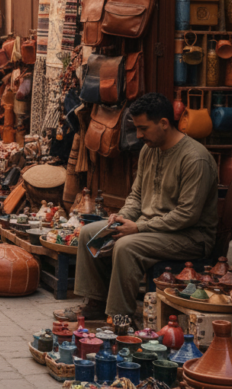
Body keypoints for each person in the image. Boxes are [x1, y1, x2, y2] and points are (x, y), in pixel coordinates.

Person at [58, 92, 218, 322]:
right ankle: (96, 303)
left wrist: (138, 227)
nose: (139, 135)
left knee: (126, 246)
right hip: (151, 228)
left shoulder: (195, 159)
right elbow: (136, 196)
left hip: (190, 236)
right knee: (89, 234)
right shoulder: (148, 150)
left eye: (143, 128)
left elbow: (187, 215)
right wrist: (121, 217)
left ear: (164, 123)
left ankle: (120, 315)